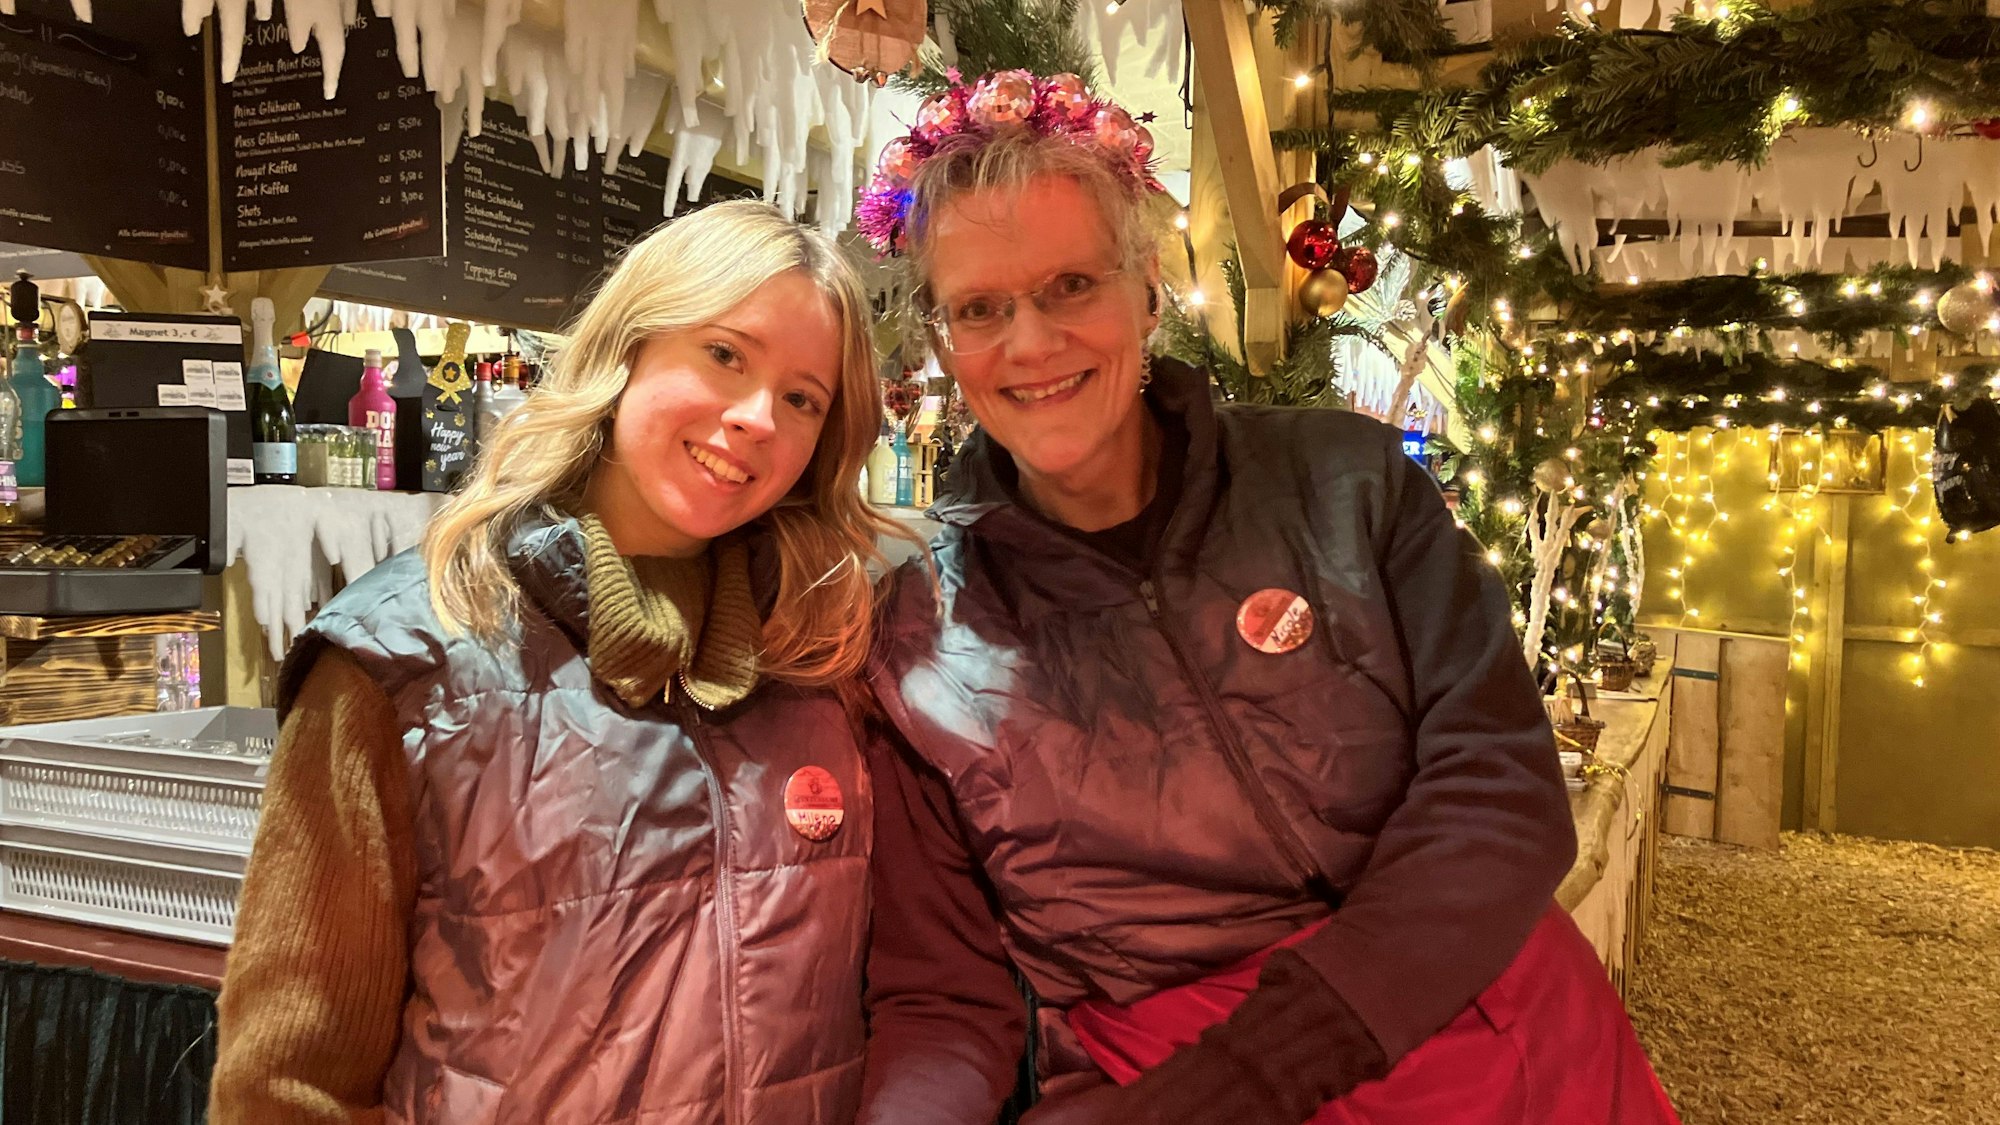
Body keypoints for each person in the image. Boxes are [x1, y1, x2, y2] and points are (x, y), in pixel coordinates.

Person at [854, 73, 1682, 1125]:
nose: (1028, 343)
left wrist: (1242, 1079)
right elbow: (944, 996)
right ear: (941, 343)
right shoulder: (914, 631)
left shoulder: (1350, 486)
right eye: (980, 308)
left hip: (1478, 1035)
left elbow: (1499, 799)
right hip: (1139, 1086)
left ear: (1145, 288)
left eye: (1070, 285)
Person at [209, 200, 913, 1124]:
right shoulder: (403, 657)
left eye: (801, 398)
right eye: (725, 354)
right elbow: (286, 1086)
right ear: (628, 349)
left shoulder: (829, 649)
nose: (755, 418)